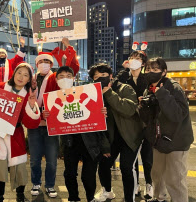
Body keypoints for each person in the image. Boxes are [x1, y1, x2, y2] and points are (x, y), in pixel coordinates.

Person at [42, 65, 109, 202]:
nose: (65, 79)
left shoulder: (86, 92)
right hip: (69, 143)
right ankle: (73, 198)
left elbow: (98, 116)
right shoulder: (52, 98)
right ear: (56, 80)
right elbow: (54, 120)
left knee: (88, 176)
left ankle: (90, 198)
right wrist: (46, 115)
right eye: (61, 76)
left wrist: (101, 112)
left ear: (73, 78)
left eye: (68, 76)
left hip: (90, 142)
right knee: (69, 174)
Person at [0, 63, 41, 202]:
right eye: (19, 72)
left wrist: (32, 106)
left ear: (28, 80)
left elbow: (31, 123)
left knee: (19, 170)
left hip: (15, 136)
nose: (21, 77)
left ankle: (20, 195)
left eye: (26, 75)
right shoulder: (0, 87)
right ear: (14, 73)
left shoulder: (27, 95)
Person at [28, 38, 80, 198]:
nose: (44, 63)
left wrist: (68, 47)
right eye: (41, 61)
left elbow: (72, 69)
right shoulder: (30, 78)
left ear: (51, 64)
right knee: (35, 159)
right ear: (36, 64)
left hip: (52, 125)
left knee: (51, 159)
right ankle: (36, 183)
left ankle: (50, 185)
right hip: (35, 124)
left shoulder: (56, 77)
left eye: (47, 61)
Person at [138, 58, 194, 202]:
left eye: (155, 70)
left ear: (164, 72)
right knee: (157, 175)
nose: (151, 73)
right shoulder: (148, 89)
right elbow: (149, 119)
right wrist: (142, 107)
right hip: (159, 141)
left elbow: (178, 115)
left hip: (176, 141)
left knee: (175, 179)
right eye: (149, 70)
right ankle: (159, 198)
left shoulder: (174, 88)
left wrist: (162, 94)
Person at [90, 63, 143, 202]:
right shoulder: (93, 94)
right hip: (112, 138)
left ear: (111, 76)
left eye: (103, 76)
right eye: (96, 77)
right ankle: (107, 191)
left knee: (126, 167)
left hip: (130, 136)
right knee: (103, 165)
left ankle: (129, 199)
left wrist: (109, 93)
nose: (100, 79)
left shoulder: (125, 88)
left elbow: (129, 109)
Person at [117, 50, 153, 199]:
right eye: (132, 57)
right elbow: (115, 87)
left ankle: (149, 184)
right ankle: (135, 184)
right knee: (132, 158)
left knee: (147, 155)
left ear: (143, 63)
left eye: (138, 58)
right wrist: (125, 70)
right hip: (131, 125)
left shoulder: (148, 79)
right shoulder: (125, 78)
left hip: (146, 123)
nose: (134, 60)